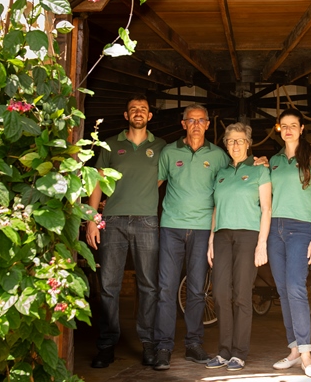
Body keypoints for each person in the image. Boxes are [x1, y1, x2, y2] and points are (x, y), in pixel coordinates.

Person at [86, 94, 166, 369]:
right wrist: (92, 219)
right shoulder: (110, 145)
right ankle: (107, 345)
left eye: (143, 109)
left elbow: (161, 176)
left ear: (150, 115)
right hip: (113, 220)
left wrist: (140, 191)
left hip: (146, 221)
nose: (138, 113)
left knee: (148, 286)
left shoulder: (161, 146)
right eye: (133, 109)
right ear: (126, 115)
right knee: (109, 285)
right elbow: (96, 182)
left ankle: (148, 345)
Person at [153, 104, 230, 370]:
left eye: (201, 120)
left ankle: (194, 344)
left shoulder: (219, 156)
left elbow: (233, 183)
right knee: (165, 289)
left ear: (208, 124)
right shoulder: (169, 152)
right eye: (191, 120)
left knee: (197, 290)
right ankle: (163, 346)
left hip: (202, 230)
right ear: (183, 124)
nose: (196, 124)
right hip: (171, 228)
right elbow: (152, 185)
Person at [206, 123, 271, 372]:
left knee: (242, 294)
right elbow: (215, 208)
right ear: (226, 144)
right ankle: (223, 351)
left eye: (240, 140)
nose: (235, 145)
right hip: (222, 236)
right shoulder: (221, 173)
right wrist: (212, 239)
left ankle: (239, 352)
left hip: (248, 235)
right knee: (220, 293)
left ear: (248, 143)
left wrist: (262, 244)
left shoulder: (259, 171)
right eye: (231, 141)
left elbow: (266, 208)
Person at [268, 107, 311, 378]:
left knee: (295, 287)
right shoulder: (274, 161)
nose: (289, 129)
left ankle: (306, 355)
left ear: (302, 129)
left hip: (300, 230)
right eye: (284, 126)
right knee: (283, 291)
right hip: (274, 230)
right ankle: (293, 351)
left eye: (294, 125)